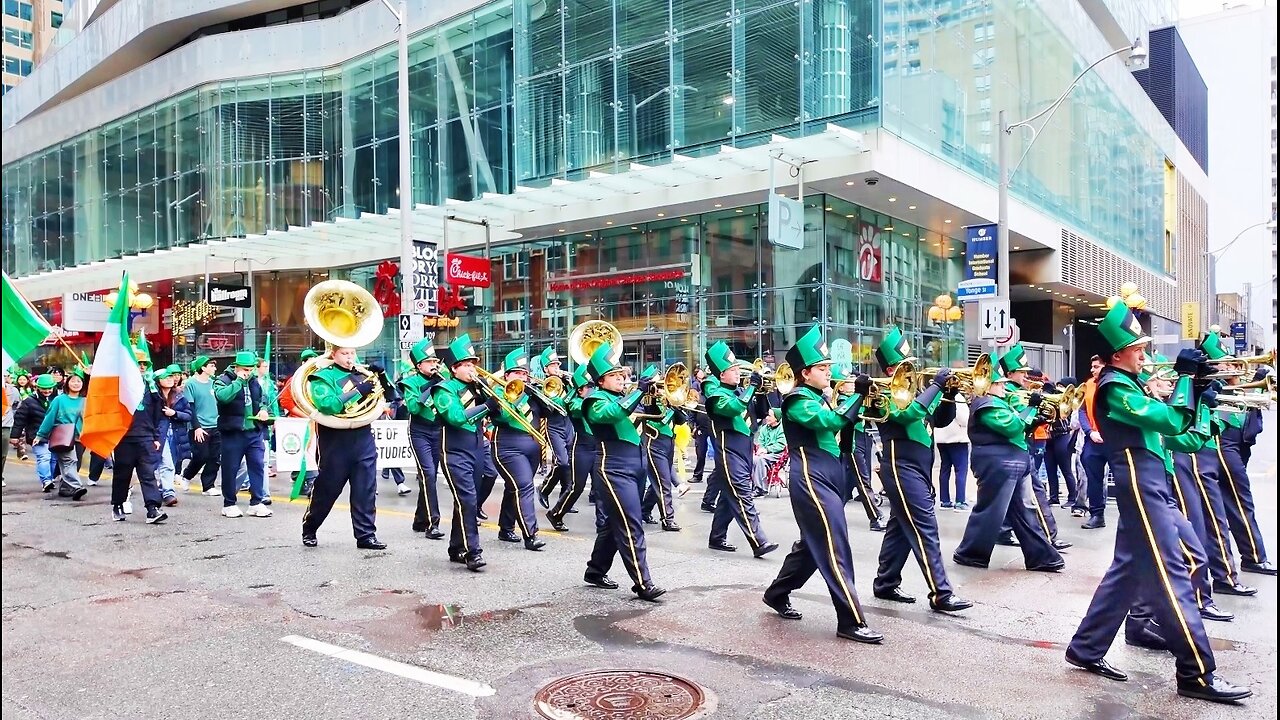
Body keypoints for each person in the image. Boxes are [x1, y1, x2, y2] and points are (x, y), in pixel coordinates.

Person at [1064, 300, 1250, 704]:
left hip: (1152, 483)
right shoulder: (1114, 387)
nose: (1145, 355)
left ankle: (1086, 647)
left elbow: (1182, 436)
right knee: (1172, 573)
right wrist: (1185, 381)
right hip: (1140, 484)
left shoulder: (1132, 385)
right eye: (1138, 349)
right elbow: (1168, 421)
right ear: (1118, 355)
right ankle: (1196, 672)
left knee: (1129, 571)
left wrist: (1201, 400)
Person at [763, 325, 882, 643]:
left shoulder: (820, 397)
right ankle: (851, 620)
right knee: (835, 546)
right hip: (812, 479)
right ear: (804, 373)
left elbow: (842, 436)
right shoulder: (798, 400)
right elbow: (831, 423)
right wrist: (856, 397)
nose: (829, 372)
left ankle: (777, 593)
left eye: (828, 367)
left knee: (812, 547)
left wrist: (861, 407)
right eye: (822, 368)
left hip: (830, 476)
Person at [870, 326, 971, 613]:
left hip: (918, 467)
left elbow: (938, 420)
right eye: (905, 365)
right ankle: (941, 593)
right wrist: (936, 386)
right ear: (891, 369)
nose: (912, 369)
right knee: (925, 527)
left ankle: (885, 583)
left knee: (900, 529)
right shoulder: (882, 393)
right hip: (900, 467)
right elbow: (908, 414)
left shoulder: (913, 393)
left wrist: (948, 394)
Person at [952, 347, 1064, 572]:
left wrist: (1033, 416)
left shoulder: (999, 402)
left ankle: (1041, 556)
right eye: (1000, 383)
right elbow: (1012, 426)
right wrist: (1031, 409)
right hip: (998, 462)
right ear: (989, 385)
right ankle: (971, 553)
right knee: (991, 511)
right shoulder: (987, 404)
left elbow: (1018, 425)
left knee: (1023, 512)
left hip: (1010, 461)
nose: (1004, 386)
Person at [581, 341, 665, 601]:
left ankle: (595, 570)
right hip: (613, 467)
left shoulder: (623, 398)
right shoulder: (593, 400)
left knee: (613, 522)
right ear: (601, 380)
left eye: (622, 375)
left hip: (636, 465)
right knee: (631, 523)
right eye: (615, 376)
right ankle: (643, 583)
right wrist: (639, 391)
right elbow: (614, 414)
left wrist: (653, 401)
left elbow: (657, 419)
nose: (621, 379)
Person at [1200, 333, 1276, 576]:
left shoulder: (1240, 387)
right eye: (1226, 364)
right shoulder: (1214, 387)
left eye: (1233, 363)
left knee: (1234, 504)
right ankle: (1253, 556)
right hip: (1222, 445)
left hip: (1235, 447)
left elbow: (1252, 423)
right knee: (1240, 502)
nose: (1233, 367)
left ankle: (1249, 555)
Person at [300, 346, 387, 550]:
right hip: (335, 442)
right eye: (344, 353)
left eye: (352, 353)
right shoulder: (322, 377)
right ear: (333, 355)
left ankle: (366, 535)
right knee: (327, 490)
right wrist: (358, 392)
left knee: (365, 490)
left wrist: (382, 376)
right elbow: (327, 405)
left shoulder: (362, 375)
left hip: (363, 438)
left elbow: (391, 396)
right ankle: (310, 527)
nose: (350, 357)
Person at [702, 341, 777, 557]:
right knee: (743, 494)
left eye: (737, 369)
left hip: (745, 449)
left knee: (728, 497)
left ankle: (716, 538)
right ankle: (759, 541)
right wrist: (752, 387)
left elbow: (762, 413)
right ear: (721, 375)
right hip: (728, 450)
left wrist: (761, 392)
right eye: (732, 370)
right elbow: (734, 408)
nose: (737, 373)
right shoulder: (716, 395)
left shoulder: (741, 391)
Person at [431, 334, 492, 571]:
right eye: (466, 365)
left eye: (472, 364)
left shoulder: (478, 387)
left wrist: (490, 398)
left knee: (468, 499)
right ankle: (472, 552)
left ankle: (456, 547)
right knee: (466, 499)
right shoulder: (443, 388)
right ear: (454, 368)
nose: (471, 369)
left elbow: (498, 411)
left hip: (476, 448)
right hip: (454, 450)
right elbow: (456, 417)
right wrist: (486, 406)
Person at [488, 348, 547, 551]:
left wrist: (542, 394)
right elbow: (503, 415)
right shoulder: (499, 391)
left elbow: (555, 412)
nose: (522, 377)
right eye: (517, 373)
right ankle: (531, 535)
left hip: (532, 446)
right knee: (524, 486)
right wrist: (521, 395)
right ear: (507, 376)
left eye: (524, 373)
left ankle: (505, 528)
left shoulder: (531, 393)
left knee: (515, 487)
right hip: (507, 445)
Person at [110, 356, 167, 525]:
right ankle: (118, 504)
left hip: (145, 437)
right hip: (124, 438)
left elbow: (158, 413)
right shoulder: (120, 386)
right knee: (122, 475)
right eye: (138, 364)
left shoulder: (150, 387)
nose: (142, 367)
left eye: (145, 364)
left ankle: (152, 509)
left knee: (148, 474)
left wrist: (155, 436)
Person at [214, 351, 271, 518]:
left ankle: (256, 502)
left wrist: (263, 410)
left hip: (254, 431)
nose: (248, 372)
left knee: (257, 466)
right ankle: (229, 503)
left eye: (251, 369)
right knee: (230, 468)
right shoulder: (223, 380)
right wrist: (238, 381)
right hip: (232, 432)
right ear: (236, 367)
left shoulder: (254, 382)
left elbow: (262, 400)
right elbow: (223, 397)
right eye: (245, 369)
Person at [400, 339, 446, 539]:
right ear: (419, 365)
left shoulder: (442, 378)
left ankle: (420, 519)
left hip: (439, 430)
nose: (434, 365)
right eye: (429, 362)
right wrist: (431, 386)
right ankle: (432, 523)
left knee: (430, 476)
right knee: (428, 474)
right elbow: (414, 408)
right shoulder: (410, 382)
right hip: (420, 432)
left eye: (435, 361)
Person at [638, 364, 689, 531]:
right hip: (653, 441)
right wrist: (652, 394)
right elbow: (652, 413)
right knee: (663, 482)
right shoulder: (646, 398)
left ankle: (644, 511)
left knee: (658, 481)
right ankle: (668, 519)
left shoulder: (667, 399)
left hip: (668, 443)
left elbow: (681, 420)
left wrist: (674, 404)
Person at [546, 365, 596, 530]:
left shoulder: (596, 399)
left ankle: (603, 524)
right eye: (590, 387)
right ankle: (556, 513)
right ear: (581, 390)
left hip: (598, 447)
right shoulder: (573, 402)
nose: (593, 390)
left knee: (600, 488)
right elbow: (564, 403)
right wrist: (572, 388)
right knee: (576, 487)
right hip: (581, 448)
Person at [34, 369, 87, 499]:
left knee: (75, 463)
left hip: (80, 437)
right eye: (73, 381)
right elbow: (49, 418)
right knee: (69, 461)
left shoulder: (85, 400)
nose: (76, 383)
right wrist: (40, 435)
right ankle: (76, 486)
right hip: (63, 436)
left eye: (79, 381)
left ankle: (65, 488)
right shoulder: (59, 400)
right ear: (67, 383)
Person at [535, 347, 574, 509]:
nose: (557, 368)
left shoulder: (566, 382)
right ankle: (544, 488)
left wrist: (573, 383)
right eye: (553, 365)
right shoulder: (542, 385)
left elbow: (574, 402)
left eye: (558, 364)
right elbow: (555, 405)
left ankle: (565, 498)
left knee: (571, 462)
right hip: (554, 425)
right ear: (546, 369)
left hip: (569, 424)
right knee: (562, 462)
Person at [181, 355, 223, 497]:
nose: (214, 368)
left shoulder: (214, 383)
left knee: (215, 457)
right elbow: (190, 407)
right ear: (203, 368)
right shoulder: (190, 384)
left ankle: (208, 486)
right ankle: (187, 475)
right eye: (211, 365)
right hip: (199, 426)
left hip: (215, 424)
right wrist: (197, 427)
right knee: (202, 455)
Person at [153, 365, 192, 507]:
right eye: (166, 377)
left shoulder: (179, 396)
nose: (170, 379)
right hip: (157, 434)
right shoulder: (153, 397)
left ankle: (165, 492)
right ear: (157, 381)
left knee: (170, 464)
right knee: (160, 464)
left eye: (172, 377)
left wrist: (174, 414)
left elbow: (188, 415)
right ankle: (164, 492)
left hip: (175, 435)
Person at [1078, 355, 1109, 528]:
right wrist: (1090, 432)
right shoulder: (1088, 385)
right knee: (1093, 479)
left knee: (1123, 478)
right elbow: (1082, 411)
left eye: (1096, 367)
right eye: (1092, 366)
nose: (1092, 370)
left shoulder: (1114, 383)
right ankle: (1097, 515)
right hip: (1094, 439)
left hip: (1113, 439)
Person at [13, 374, 57, 492]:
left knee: (54, 459)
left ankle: (51, 479)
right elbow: (20, 418)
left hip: (55, 435)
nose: (47, 391)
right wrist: (14, 436)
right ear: (37, 387)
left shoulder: (57, 399)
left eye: (49, 388)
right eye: (44, 388)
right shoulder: (28, 401)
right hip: (36, 435)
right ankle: (46, 480)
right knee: (44, 457)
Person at [933, 386, 971, 511]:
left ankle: (945, 501)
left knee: (945, 469)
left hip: (941, 438)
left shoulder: (937, 396)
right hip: (957, 438)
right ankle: (960, 501)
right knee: (961, 470)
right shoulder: (957, 397)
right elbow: (964, 420)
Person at [1044, 376, 1078, 507]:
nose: (1059, 389)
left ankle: (1072, 497)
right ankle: (1054, 496)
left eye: (1062, 386)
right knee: (1050, 468)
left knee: (1066, 469)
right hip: (1049, 436)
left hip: (1062, 436)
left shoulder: (1070, 402)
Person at [751, 409, 786, 497]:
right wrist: (762, 449)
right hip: (765, 453)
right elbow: (761, 442)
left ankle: (761, 489)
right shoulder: (764, 428)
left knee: (760, 460)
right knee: (753, 459)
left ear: (776, 418)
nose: (767, 418)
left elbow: (781, 445)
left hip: (778, 454)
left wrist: (767, 450)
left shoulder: (782, 429)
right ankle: (754, 486)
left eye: (770, 416)